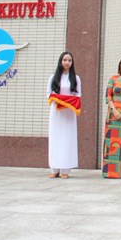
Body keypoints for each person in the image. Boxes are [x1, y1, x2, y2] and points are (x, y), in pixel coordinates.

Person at [46, 51, 81, 179]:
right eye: (65, 60)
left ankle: (65, 169)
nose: (67, 62)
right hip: (56, 112)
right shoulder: (53, 77)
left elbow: (78, 95)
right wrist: (57, 100)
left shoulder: (76, 78)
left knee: (67, 139)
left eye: (69, 60)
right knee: (55, 139)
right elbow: (48, 94)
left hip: (69, 112)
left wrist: (69, 102)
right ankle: (54, 169)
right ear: (60, 61)